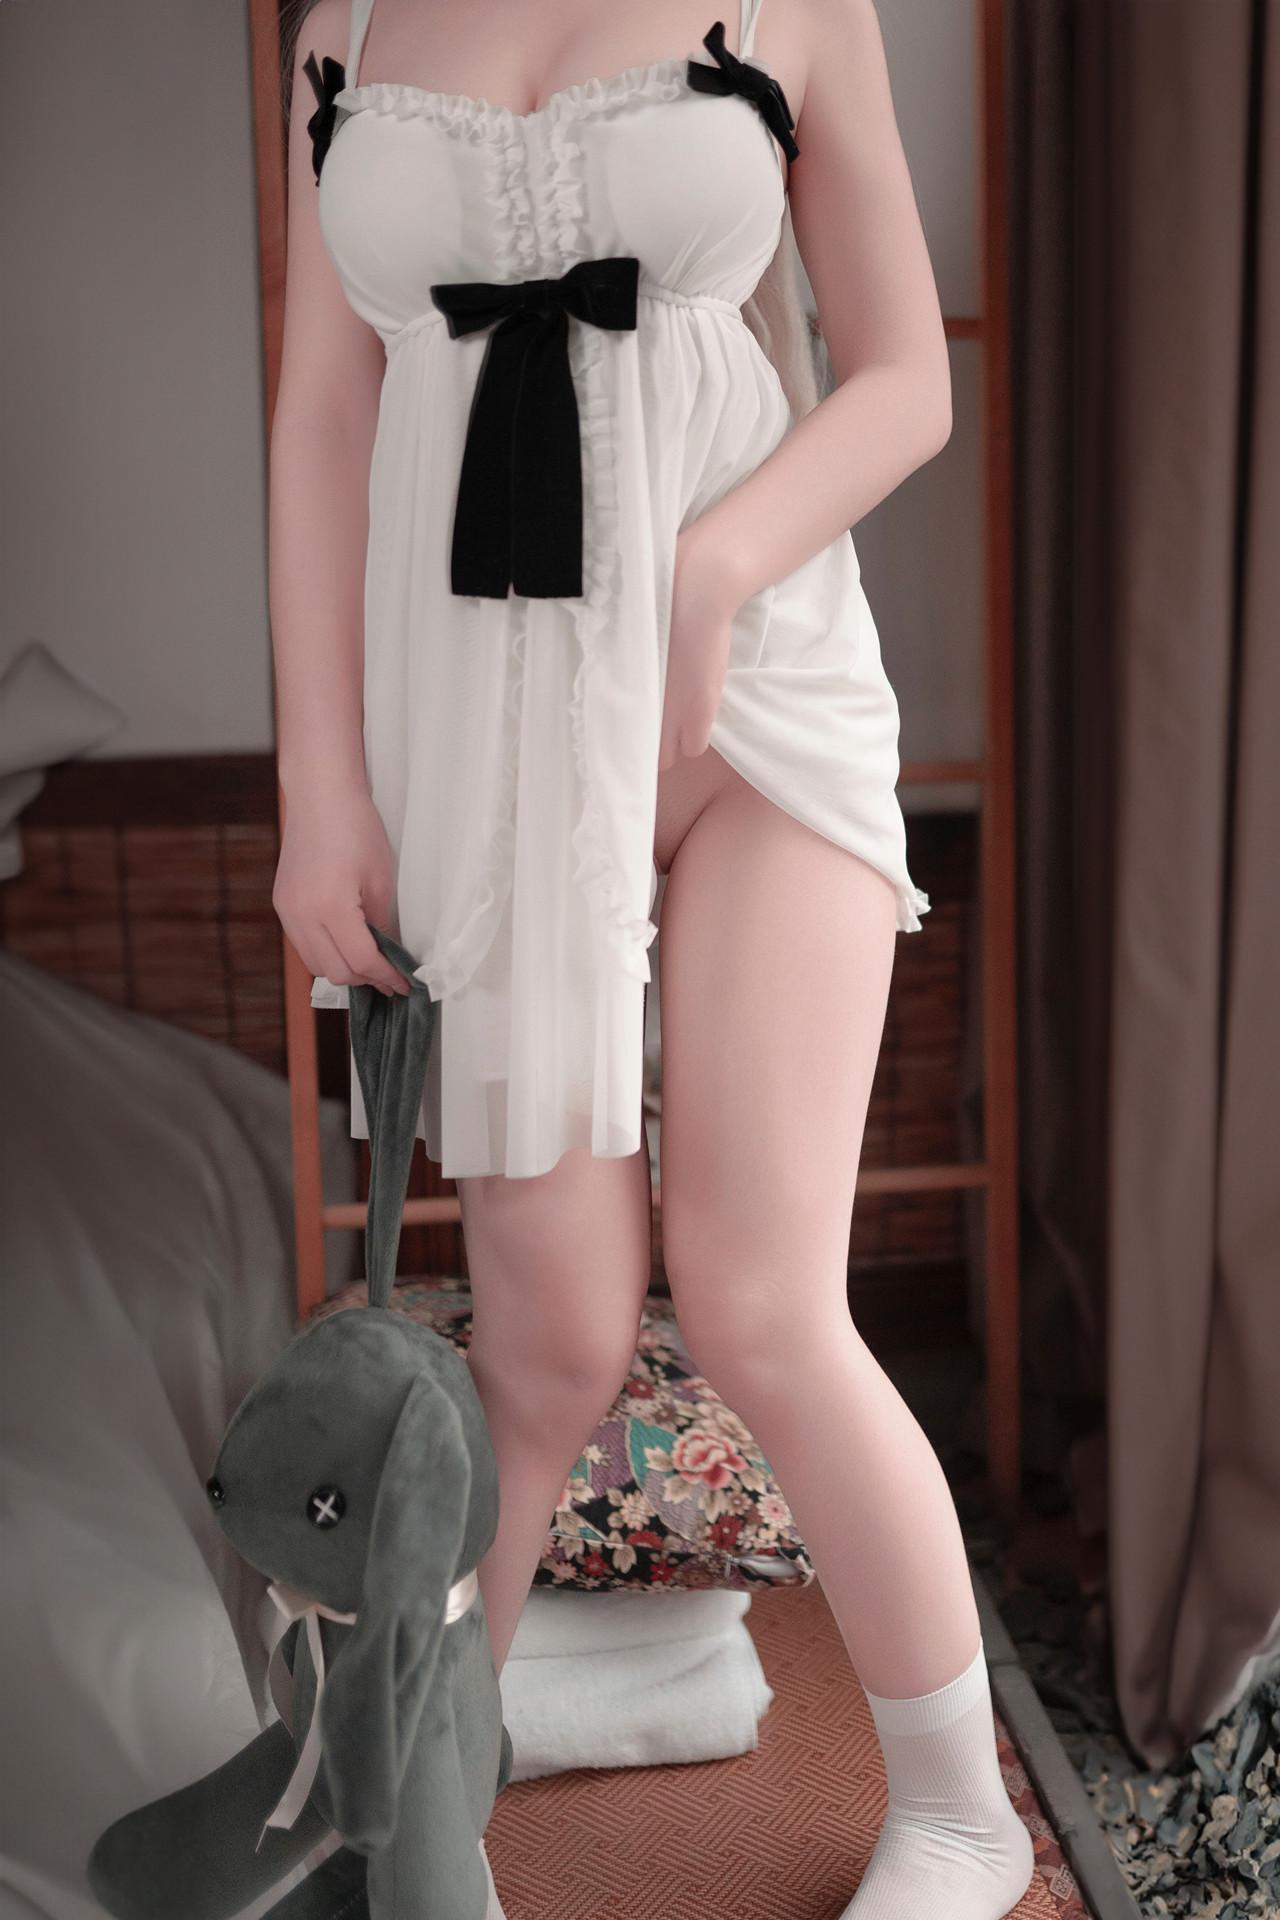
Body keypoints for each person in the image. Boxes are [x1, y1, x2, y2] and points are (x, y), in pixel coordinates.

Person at [270, 1, 1036, 1915]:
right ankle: (406, 1821)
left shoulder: (796, 4)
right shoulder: (344, 27)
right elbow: (324, 414)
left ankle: (962, 1814)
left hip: (750, 703)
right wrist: (318, 789)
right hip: (488, 754)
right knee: (544, 1342)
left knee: (763, 1299)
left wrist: (715, 563)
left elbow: (904, 379)